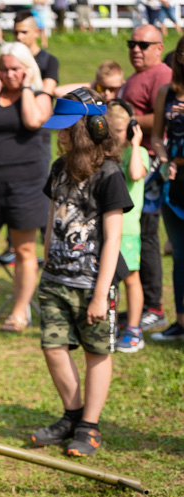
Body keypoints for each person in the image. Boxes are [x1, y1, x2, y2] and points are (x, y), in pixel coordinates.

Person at [31, 89, 132, 457]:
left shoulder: (109, 175)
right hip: (56, 280)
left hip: (92, 283)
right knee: (53, 347)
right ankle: (71, 416)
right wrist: (46, 266)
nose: (61, 135)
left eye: (67, 128)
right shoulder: (59, 168)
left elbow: (114, 236)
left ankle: (89, 427)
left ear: (91, 127)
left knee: (96, 352)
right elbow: (51, 219)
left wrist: (101, 290)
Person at [0, 42, 51, 331]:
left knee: (25, 250)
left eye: (16, 68)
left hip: (28, 183)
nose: (10, 74)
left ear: (28, 69)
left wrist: (27, 87)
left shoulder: (40, 96)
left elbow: (32, 120)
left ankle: (19, 312)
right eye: (5, 68)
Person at [120, 25, 172, 332]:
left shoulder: (161, 75)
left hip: (150, 163)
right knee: (136, 235)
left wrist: (124, 119)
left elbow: (161, 118)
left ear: (158, 47)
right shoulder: (136, 76)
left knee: (147, 236)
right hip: (132, 163)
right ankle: (140, 305)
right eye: (132, 43)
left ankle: (154, 306)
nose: (136, 49)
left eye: (143, 44)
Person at [107, 99, 149, 351]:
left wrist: (134, 144)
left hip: (129, 230)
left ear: (132, 129)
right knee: (110, 280)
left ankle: (134, 328)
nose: (115, 137)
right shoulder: (107, 157)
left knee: (131, 278)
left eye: (120, 131)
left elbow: (135, 174)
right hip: (109, 229)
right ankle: (112, 322)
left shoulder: (139, 153)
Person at [149, 36, 184, 341]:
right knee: (180, 255)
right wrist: (164, 160)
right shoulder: (166, 93)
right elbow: (157, 137)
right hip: (175, 183)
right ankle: (181, 323)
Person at [13, 10, 59, 96]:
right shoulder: (10, 60)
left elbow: (46, 93)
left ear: (36, 32)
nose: (19, 37)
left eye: (24, 32)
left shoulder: (49, 61)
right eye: (16, 33)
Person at [55, 60, 125, 101]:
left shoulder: (127, 96)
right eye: (102, 88)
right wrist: (92, 86)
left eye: (113, 89)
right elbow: (57, 91)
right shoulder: (94, 90)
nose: (107, 93)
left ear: (122, 84)